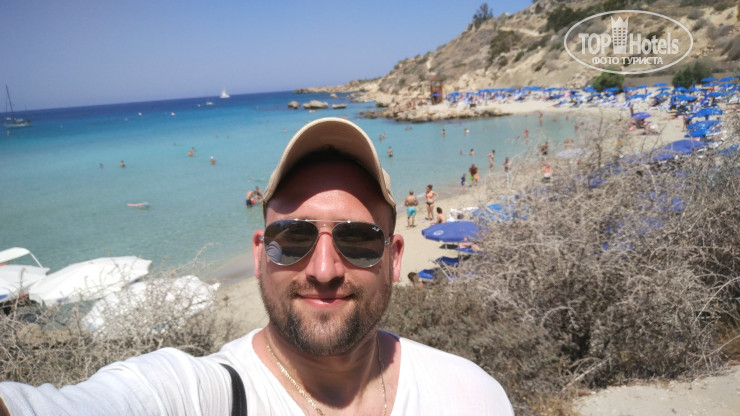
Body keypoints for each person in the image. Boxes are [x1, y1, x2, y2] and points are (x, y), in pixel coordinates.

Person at [0, 117, 513, 415]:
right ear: (257, 254)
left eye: (358, 240)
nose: (325, 269)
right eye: (293, 238)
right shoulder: (205, 394)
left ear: (394, 258)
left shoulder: (471, 397)